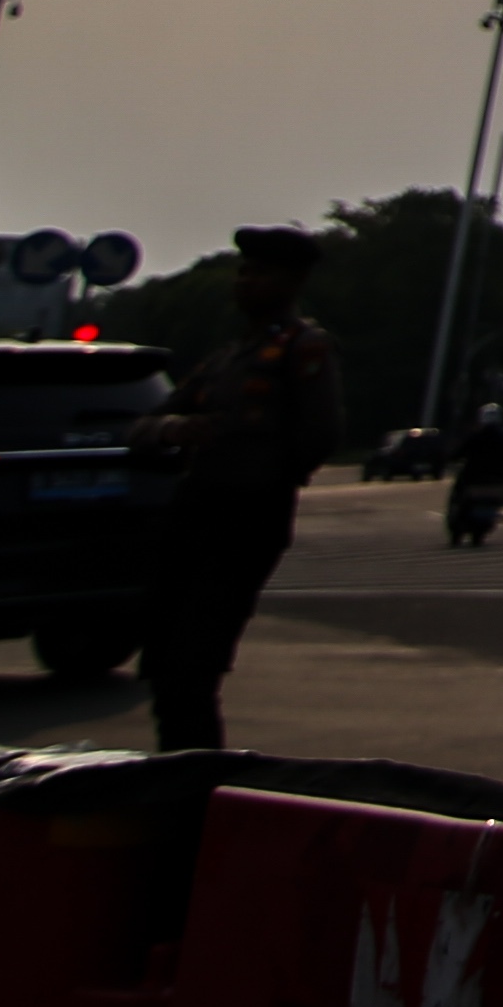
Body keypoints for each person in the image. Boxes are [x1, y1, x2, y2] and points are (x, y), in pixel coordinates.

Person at [132, 224, 343, 751]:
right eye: (244, 271)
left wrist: (264, 473)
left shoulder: (301, 348)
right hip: (194, 510)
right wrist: (172, 431)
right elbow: (144, 427)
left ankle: (196, 787)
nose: (246, 283)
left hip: (246, 518)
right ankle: (177, 769)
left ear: (291, 282)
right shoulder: (226, 359)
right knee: (164, 657)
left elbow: (320, 433)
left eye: (262, 273)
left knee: (195, 661)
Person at [445, 399, 503, 546]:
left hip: (474, 477)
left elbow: (460, 452)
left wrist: (451, 457)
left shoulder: (477, 436)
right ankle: (468, 523)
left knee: (458, 493)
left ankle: (460, 523)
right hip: (495, 478)